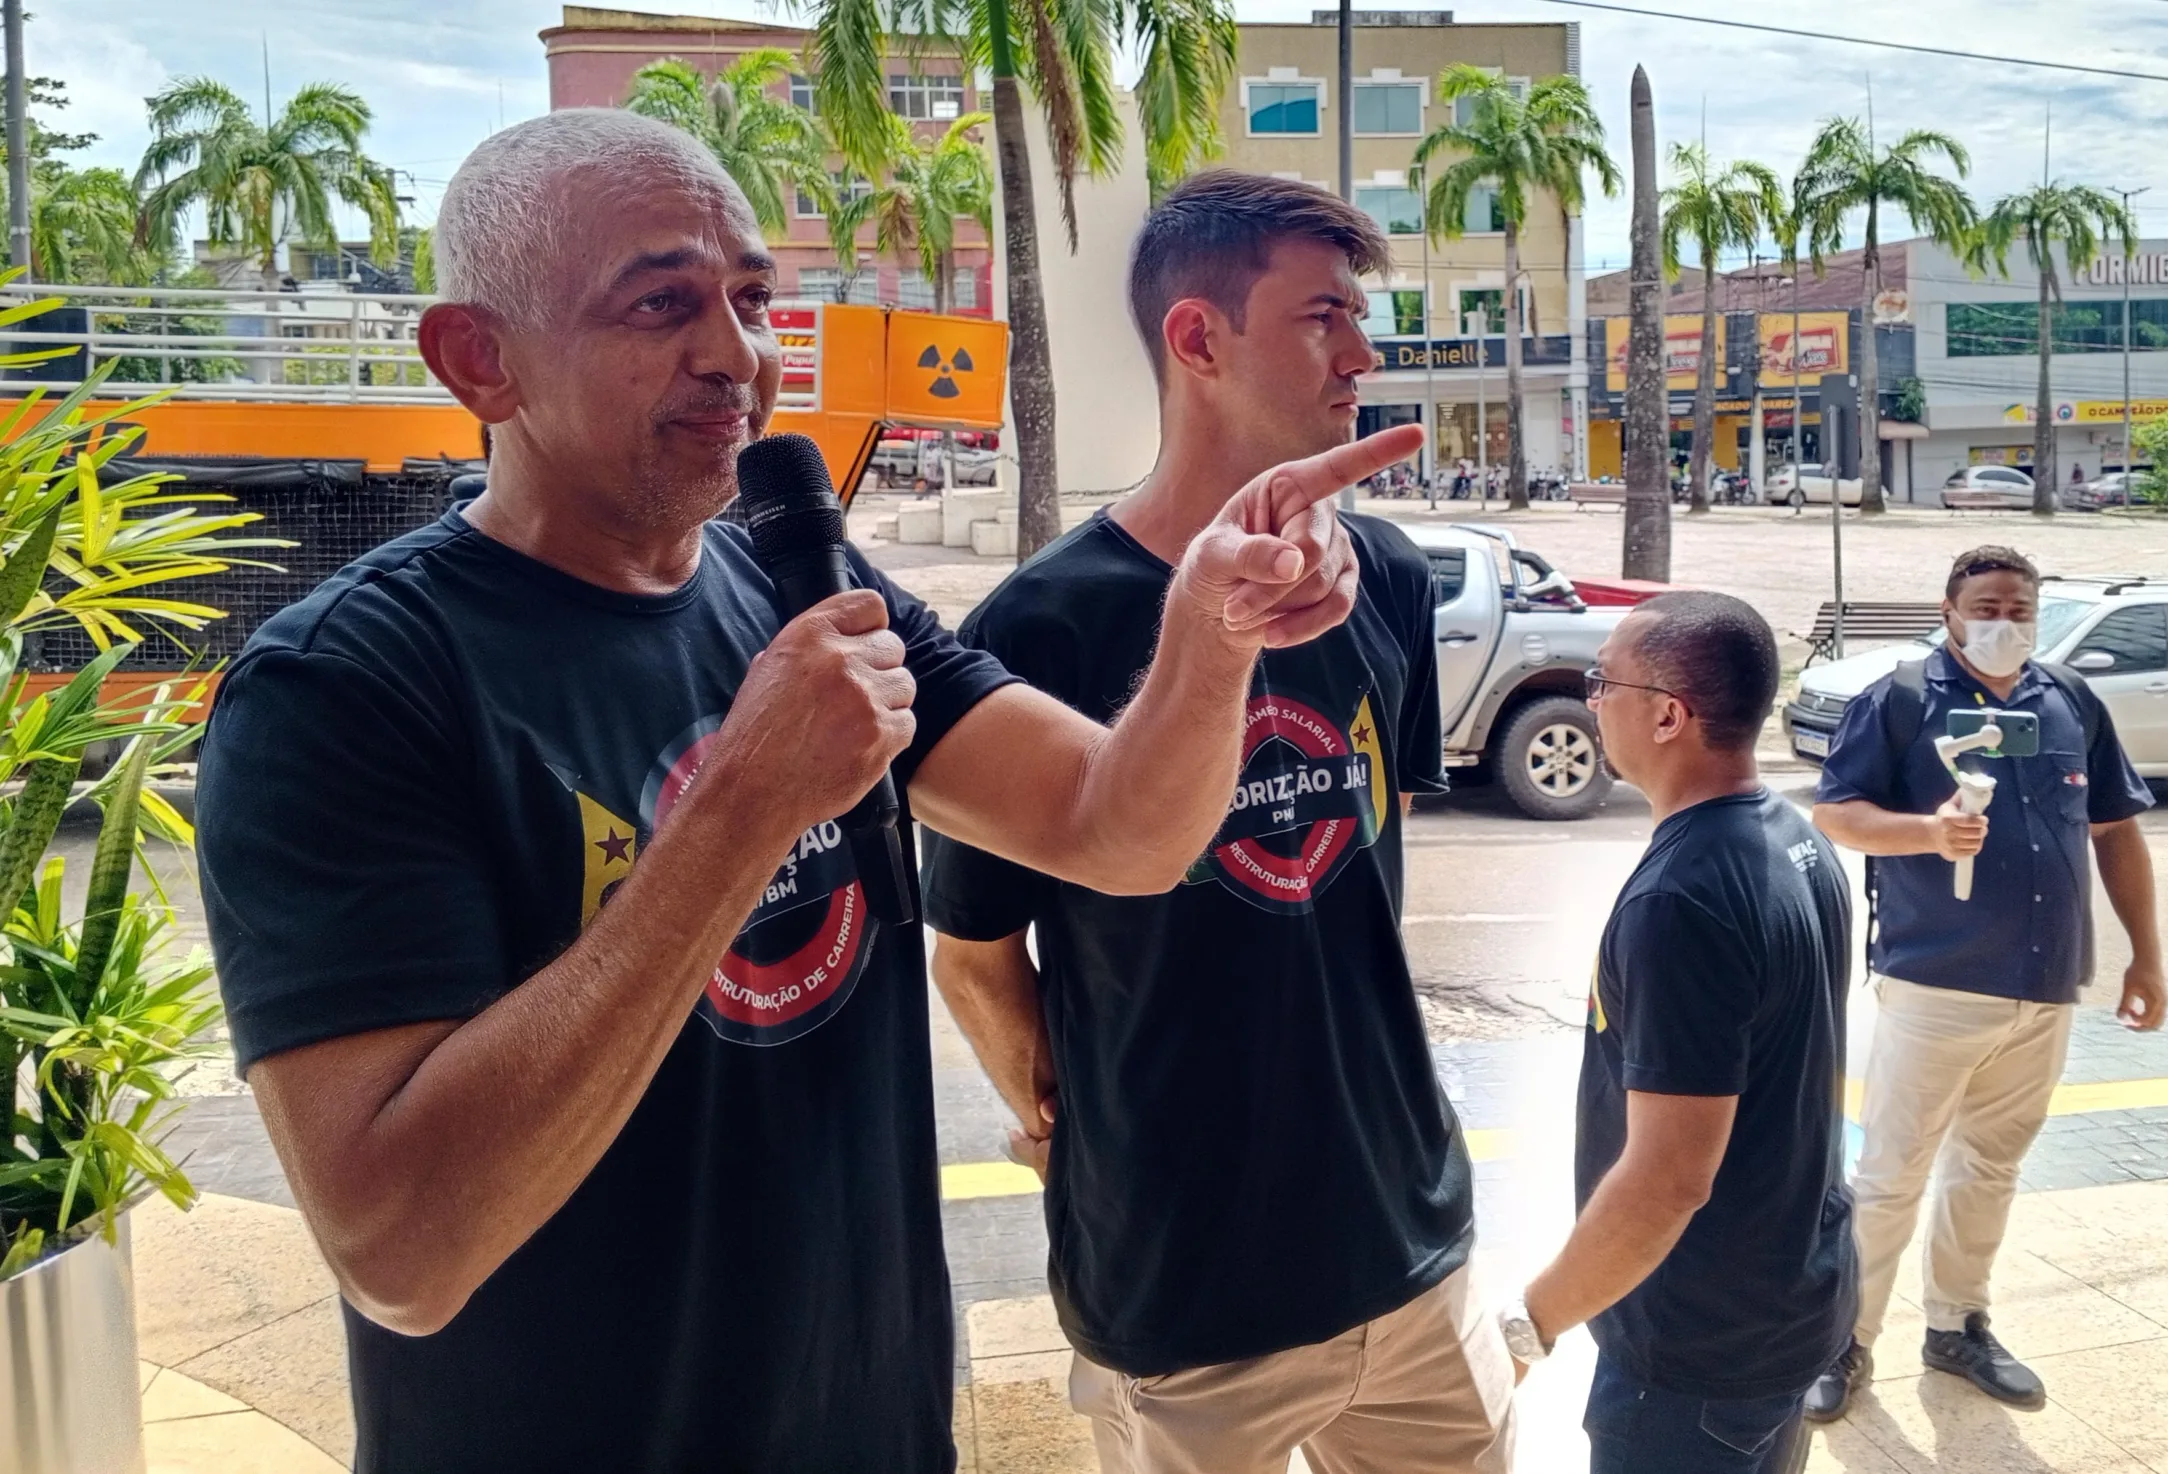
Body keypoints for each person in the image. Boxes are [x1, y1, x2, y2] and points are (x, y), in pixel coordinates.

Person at [193, 113, 1408, 1473]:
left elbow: (1115, 831)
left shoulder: (798, 579)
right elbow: (402, 1245)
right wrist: (743, 806)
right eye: (661, 303)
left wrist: (1209, 637)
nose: (736, 355)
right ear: (480, 360)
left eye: (754, 299)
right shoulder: (346, 685)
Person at [920, 171, 1507, 1474]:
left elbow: (1361, 876)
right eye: (1322, 318)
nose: (1363, 353)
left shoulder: (1390, 577)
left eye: (1362, 316)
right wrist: (1080, 1124)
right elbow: (971, 952)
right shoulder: (1042, 626)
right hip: (1184, 1289)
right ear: (1199, 339)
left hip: (1409, 1241)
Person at [1803, 546, 2167, 1420]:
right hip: (1936, 980)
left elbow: (2115, 830)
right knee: (1893, 1174)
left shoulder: (2071, 699)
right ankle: (1842, 1343)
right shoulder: (1898, 699)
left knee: (1991, 1166)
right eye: (1987, 606)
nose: (2004, 622)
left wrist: (2145, 954)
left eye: (2019, 608)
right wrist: (1928, 833)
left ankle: (1957, 1324)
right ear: (1951, 608)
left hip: (2044, 983)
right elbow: (1836, 812)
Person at [1506, 593, 1856, 1474]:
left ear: (1668, 714)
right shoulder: (1795, 837)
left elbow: (1667, 1181)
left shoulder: (1682, 902)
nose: (1590, 700)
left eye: (1602, 682)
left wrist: (1533, 1321)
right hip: (1789, 1300)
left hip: (1699, 1351)